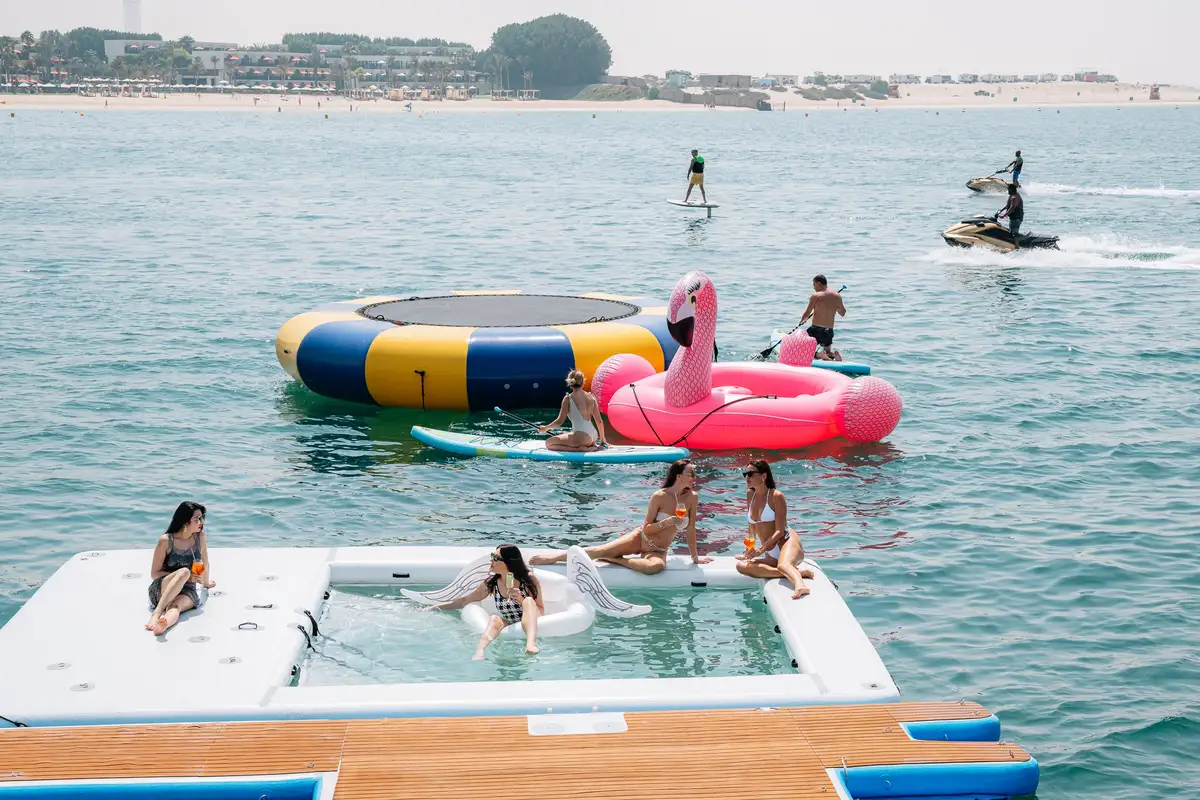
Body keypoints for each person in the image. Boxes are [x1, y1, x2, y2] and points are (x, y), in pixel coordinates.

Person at [530, 459, 713, 574]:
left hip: (658, 549)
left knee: (655, 567)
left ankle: (617, 559)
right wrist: (667, 522)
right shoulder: (659, 496)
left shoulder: (692, 497)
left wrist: (695, 557)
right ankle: (554, 558)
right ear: (679, 476)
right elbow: (647, 528)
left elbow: (690, 529)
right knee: (600, 551)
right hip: (641, 538)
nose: (694, 477)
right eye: (691, 474)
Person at [422, 545, 543, 658]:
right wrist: (434, 607)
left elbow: (540, 608)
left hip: (533, 619)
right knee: (494, 618)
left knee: (528, 600)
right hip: (511, 622)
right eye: (492, 556)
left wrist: (521, 599)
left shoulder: (527, 579)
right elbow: (464, 601)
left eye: (496, 558)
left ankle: (530, 645)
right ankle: (479, 651)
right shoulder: (492, 583)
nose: (491, 560)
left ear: (508, 562)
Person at [735, 461, 814, 599]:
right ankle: (798, 572)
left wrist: (761, 549)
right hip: (770, 550)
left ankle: (801, 586)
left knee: (783, 565)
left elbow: (779, 531)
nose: (747, 477)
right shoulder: (750, 494)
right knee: (741, 566)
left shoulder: (776, 496)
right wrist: (750, 550)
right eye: (745, 474)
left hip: (786, 542)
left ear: (763, 476)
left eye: (750, 474)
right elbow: (751, 526)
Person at [145, 501, 215, 635]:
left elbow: (205, 562)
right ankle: (157, 613)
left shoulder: (200, 537)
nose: (202, 522)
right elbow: (154, 574)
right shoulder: (166, 541)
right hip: (163, 587)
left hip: (188, 589)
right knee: (184, 572)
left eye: (202, 518)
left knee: (175, 607)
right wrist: (185, 576)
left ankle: (164, 624)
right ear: (185, 522)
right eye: (197, 519)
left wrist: (205, 583)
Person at [539, 369, 607, 451]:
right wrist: (602, 441)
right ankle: (590, 445)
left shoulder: (568, 398)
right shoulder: (591, 397)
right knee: (569, 435)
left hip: (582, 437)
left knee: (549, 443)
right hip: (593, 435)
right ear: (582, 382)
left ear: (570, 382)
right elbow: (599, 421)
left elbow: (559, 422)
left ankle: (580, 449)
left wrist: (546, 428)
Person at [798, 274, 846, 362]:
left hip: (816, 330)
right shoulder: (837, 296)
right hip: (829, 331)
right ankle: (832, 355)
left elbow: (807, 313)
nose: (813, 287)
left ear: (819, 284)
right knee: (827, 349)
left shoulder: (816, 296)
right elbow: (842, 313)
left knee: (802, 349)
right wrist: (834, 305)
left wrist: (802, 321)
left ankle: (820, 355)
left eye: (814, 285)